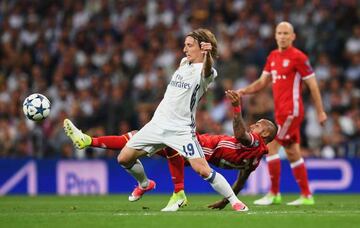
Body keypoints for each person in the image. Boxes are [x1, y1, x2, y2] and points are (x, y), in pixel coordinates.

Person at [65, 28, 248, 212]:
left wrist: (208, 55)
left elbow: (206, 69)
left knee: (202, 170)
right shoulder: (184, 63)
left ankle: (234, 201)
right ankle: (145, 184)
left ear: (202, 48)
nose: (185, 49)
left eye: (189, 45)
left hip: (181, 129)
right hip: (157, 123)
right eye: (185, 45)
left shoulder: (208, 71)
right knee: (124, 158)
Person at [63, 90, 278, 211]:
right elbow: (241, 180)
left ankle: (177, 193)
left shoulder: (256, 142)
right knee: (133, 141)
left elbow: (241, 135)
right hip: (198, 148)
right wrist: (225, 199)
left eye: (258, 125)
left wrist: (237, 108)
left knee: (146, 138)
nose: (253, 126)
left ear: (266, 134)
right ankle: (145, 183)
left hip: (196, 146)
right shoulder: (255, 160)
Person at [237, 21, 327, 206]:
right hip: (280, 112)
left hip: (291, 111)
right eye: (280, 32)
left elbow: (313, 85)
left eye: (286, 33)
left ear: (293, 36)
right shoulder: (272, 56)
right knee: (293, 152)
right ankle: (306, 195)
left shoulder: (298, 57)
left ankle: (274, 193)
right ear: (275, 35)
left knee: (271, 146)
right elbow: (262, 82)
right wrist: (243, 91)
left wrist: (320, 111)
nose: (283, 36)